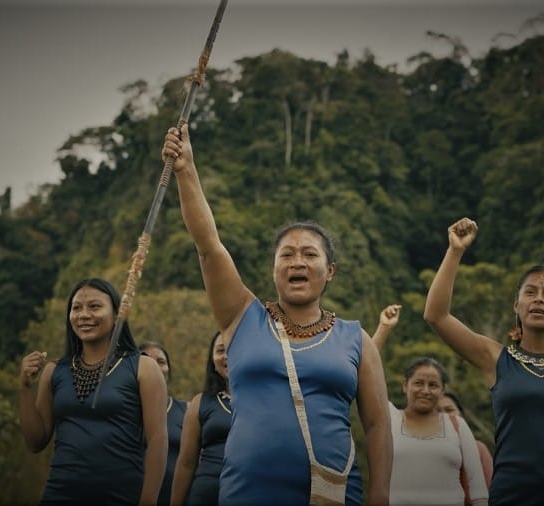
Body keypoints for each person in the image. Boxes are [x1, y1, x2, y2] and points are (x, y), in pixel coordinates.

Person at [162, 125, 392, 505]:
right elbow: (208, 247)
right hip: (247, 494)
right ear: (273, 269)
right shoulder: (243, 318)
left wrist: (380, 496)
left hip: (330, 495)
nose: (297, 261)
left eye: (309, 254)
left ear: (330, 270)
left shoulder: (356, 339)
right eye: (286, 254)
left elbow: (378, 425)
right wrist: (186, 170)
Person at [423, 218, 544, 506]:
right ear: (517, 305)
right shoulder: (496, 358)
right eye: (531, 292)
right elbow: (436, 316)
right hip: (512, 495)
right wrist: (455, 251)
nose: (539, 299)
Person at [19, 277, 168, 505]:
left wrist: (148, 501)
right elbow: (35, 441)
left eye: (95, 307)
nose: (84, 315)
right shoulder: (54, 370)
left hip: (121, 496)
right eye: (76, 308)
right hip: (60, 494)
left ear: (118, 313)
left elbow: (158, 440)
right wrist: (25, 387)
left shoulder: (143, 368)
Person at [371, 304, 488, 505]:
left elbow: (478, 491)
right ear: (405, 386)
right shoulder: (389, 419)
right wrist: (384, 328)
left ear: (442, 390)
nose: (425, 390)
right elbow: (368, 373)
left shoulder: (457, 426)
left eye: (433, 385)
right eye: (418, 383)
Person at [170, 332, 231, 505]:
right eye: (220, 351)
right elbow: (186, 463)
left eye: (233, 349)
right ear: (212, 359)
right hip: (206, 494)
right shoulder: (200, 403)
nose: (226, 356)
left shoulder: (263, 399)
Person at [139, 341, 188, 506]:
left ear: (169, 371)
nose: (154, 367)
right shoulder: (123, 411)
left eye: (161, 361)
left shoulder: (187, 411)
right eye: (147, 360)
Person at [438, 391, 494, 488]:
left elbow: (494, 492)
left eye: (449, 410)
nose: (444, 416)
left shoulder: (478, 450)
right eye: (436, 412)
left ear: (461, 415)